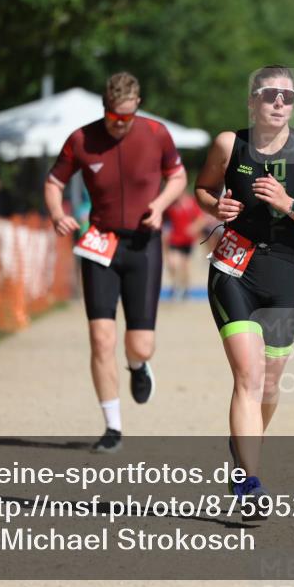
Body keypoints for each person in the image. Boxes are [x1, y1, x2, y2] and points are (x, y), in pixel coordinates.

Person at [194, 65, 294, 517]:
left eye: (287, 97)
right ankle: (250, 485)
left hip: (288, 272)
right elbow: (202, 188)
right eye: (270, 95)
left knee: (269, 384)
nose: (279, 103)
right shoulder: (228, 144)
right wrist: (217, 204)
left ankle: (243, 445)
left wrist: (288, 203)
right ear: (253, 101)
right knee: (249, 378)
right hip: (235, 267)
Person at [44, 71, 187, 452]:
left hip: (143, 245)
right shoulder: (81, 139)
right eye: (112, 117)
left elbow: (178, 177)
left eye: (125, 118)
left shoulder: (156, 134)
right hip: (100, 244)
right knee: (101, 338)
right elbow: (54, 181)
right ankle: (112, 427)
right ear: (104, 109)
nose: (119, 125)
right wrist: (58, 213)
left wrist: (159, 205)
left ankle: (138, 367)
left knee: (140, 344)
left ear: (137, 106)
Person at [163, 191, 206, 299]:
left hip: (188, 241)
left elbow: (201, 219)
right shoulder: (170, 205)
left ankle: (185, 288)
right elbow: (165, 221)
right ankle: (175, 285)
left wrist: (194, 228)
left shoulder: (191, 203)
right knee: (172, 263)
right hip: (174, 240)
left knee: (184, 267)